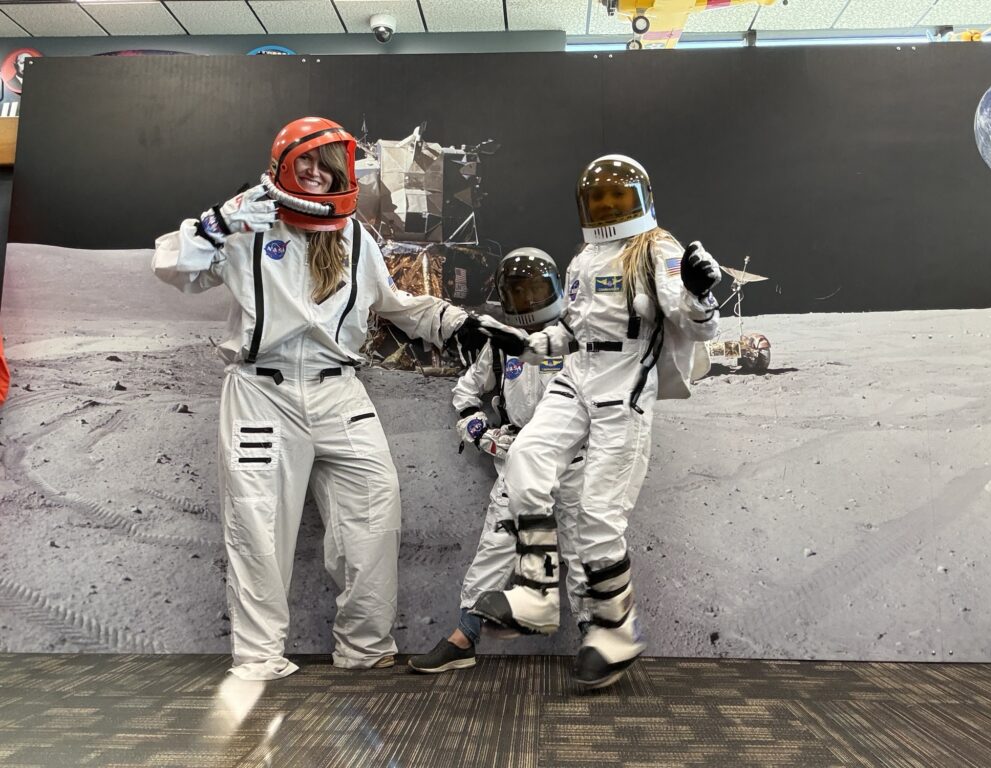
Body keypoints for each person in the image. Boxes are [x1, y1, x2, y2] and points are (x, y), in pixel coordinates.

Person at [152, 116, 497, 680]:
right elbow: (171, 266)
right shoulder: (248, 226)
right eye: (304, 160)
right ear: (281, 165)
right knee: (258, 526)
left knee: (374, 517)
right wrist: (217, 223)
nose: (315, 172)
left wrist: (456, 322)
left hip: (340, 393)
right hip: (262, 394)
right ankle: (259, 658)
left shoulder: (355, 238)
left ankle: (365, 647)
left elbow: (390, 303)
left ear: (342, 172)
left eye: (326, 163)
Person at [471, 154, 721, 689]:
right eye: (598, 197)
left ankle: (615, 631)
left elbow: (695, 326)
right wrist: (527, 344)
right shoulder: (584, 257)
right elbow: (571, 330)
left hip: (622, 385)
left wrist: (700, 294)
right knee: (526, 459)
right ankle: (536, 594)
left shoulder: (655, 249)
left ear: (642, 199)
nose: (607, 205)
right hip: (575, 375)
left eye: (617, 196)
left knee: (598, 517)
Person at [408, 248, 588, 673]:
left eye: (536, 290)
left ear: (555, 288)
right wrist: (478, 429)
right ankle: (464, 638)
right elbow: (465, 393)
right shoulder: (502, 344)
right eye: (519, 292)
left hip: (574, 459)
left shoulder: (578, 338)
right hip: (520, 458)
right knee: (496, 546)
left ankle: (597, 641)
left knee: (584, 550)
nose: (529, 300)